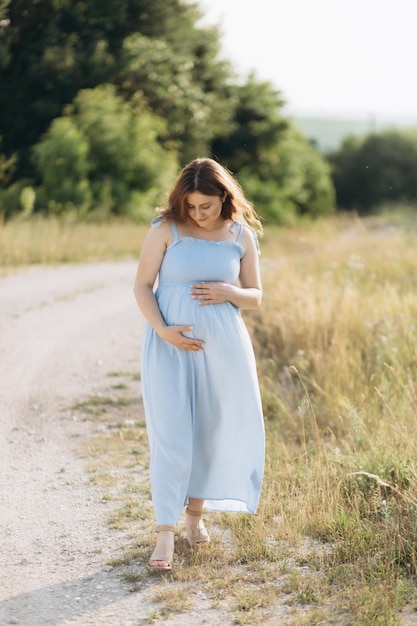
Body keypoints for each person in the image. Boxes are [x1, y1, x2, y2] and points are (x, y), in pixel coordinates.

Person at [133, 157, 265, 571]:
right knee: (171, 432)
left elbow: (256, 295)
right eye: (190, 206)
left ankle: (195, 519)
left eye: (205, 205)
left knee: (209, 430)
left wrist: (229, 290)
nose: (197, 213)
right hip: (170, 345)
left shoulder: (242, 235)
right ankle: (165, 534)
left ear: (225, 197)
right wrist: (164, 330)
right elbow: (141, 285)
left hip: (223, 348)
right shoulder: (165, 229)